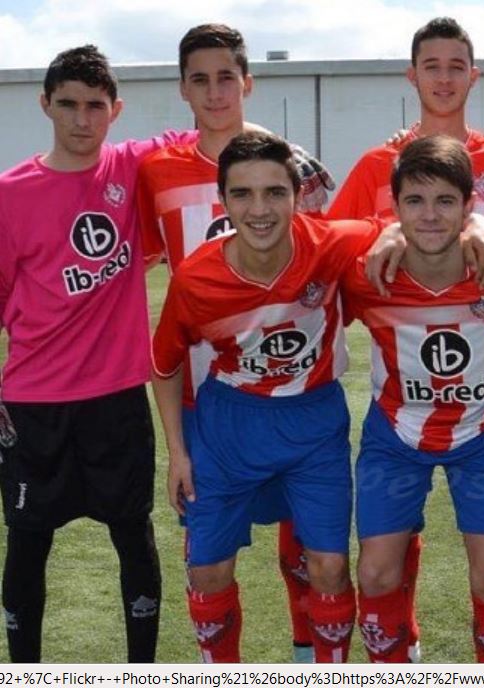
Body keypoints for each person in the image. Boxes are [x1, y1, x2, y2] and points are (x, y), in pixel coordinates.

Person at [136, 23, 328, 663]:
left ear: (248, 82)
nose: (215, 92)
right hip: (203, 402)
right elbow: (137, 263)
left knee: (306, 554)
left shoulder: (297, 167)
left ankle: (309, 664)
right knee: (208, 562)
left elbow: (325, 266)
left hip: (291, 393)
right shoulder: (157, 171)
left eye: (227, 77)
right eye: (201, 79)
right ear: (183, 89)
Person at [0, 44, 196, 663]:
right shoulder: (9, 194)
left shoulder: (133, 165)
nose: (82, 120)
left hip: (117, 398)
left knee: (134, 537)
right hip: (34, 404)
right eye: (68, 105)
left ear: (116, 109)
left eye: (95, 106)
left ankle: (141, 671)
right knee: (27, 544)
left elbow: (211, 133)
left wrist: (287, 152)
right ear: (45, 105)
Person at [150, 132, 374, 663]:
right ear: (223, 201)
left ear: (296, 196)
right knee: (208, 570)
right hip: (230, 425)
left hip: (314, 422)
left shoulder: (332, 242)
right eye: (243, 194)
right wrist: (177, 453)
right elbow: (164, 365)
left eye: (274, 192)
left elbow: (398, 228)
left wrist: (479, 227)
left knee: (329, 567)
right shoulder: (196, 279)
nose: (259, 209)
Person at [340, 135, 484, 663]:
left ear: (470, 206)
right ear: (394, 206)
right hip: (395, 435)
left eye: (445, 201)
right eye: (414, 201)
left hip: (482, 436)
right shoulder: (367, 276)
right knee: (374, 573)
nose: (430, 215)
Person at [329, 16, 484, 224]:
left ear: (472, 77)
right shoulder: (376, 165)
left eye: (456, 67)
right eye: (432, 67)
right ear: (413, 76)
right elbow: (331, 238)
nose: (444, 78)